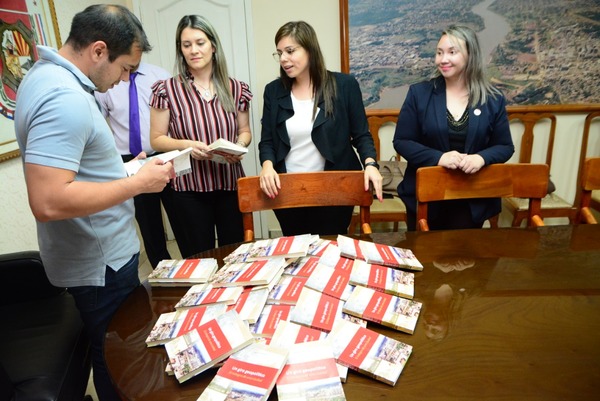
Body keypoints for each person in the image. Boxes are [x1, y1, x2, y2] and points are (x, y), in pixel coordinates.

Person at [14, 5, 174, 401]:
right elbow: (49, 200)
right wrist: (138, 184)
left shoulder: (44, 75)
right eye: (124, 68)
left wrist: (124, 168)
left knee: (115, 352)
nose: (124, 80)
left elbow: (77, 172)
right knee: (120, 358)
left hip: (91, 256)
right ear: (99, 51)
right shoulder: (64, 98)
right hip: (100, 265)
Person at [258, 21, 383, 236]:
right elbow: (268, 140)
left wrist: (370, 164)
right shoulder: (273, 91)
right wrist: (267, 166)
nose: (283, 59)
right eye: (279, 53)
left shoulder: (345, 85)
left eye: (290, 51)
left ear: (310, 49)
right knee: (296, 256)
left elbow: (361, 135)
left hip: (335, 188)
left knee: (330, 250)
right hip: (289, 190)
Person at [392, 24, 514, 231]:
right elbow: (402, 141)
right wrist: (439, 158)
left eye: (451, 52)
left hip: (471, 198)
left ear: (470, 55)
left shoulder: (492, 99)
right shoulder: (419, 94)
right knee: (423, 257)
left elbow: (504, 146)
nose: (443, 59)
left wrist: (481, 158)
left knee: (464, 259)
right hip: (426, 198)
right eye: (439, 53)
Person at [150, 15, 252, 257]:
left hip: (229, 184)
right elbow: (156, 138)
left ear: (213, 46)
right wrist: (187, 145)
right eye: (187, 45)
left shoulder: (236, 88)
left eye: (200, 42)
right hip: (188, 190)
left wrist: (238, 146)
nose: (194, 50)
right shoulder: (167, 90)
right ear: (180, 50)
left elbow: (244, 131)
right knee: (198, 259)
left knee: (235, 255)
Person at [95, 62, 179, 268]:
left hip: (165, 156)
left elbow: (177, 118)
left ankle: (197, 269)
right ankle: (164, 275)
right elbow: (98, 124)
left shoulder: (160, 75)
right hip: (130, 161)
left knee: (183, 219)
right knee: (150, 228)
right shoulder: (107, 81)